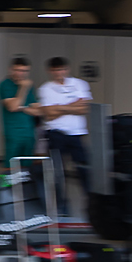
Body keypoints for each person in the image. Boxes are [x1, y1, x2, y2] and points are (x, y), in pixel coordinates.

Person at [36, 57, 92, 215]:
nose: (59, 73)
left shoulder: (79, 84)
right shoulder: (45, 88)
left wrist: (58, 108)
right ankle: (61, 206)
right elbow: (48, 114)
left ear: (67, 69)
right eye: (55, 70)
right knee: (57, 172)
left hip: (76, 134)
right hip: (56, 134)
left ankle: (91, 204)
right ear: (50, 71)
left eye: (61, 70)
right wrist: (72, 106)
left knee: (84, 171)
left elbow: (84, 108)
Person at [0, 57, 38, 176]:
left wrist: (22, 107)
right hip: (13, 132)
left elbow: (38, 110)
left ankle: (25, 187)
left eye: (25, 71)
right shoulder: (5, 85)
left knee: (27, 166)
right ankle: (8, 186)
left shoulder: (30, 86)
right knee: (10, 165)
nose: (21, 74)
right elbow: (13, 107)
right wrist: (23, 88)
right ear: (11, 69)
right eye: (18, 70)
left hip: (29, 132)